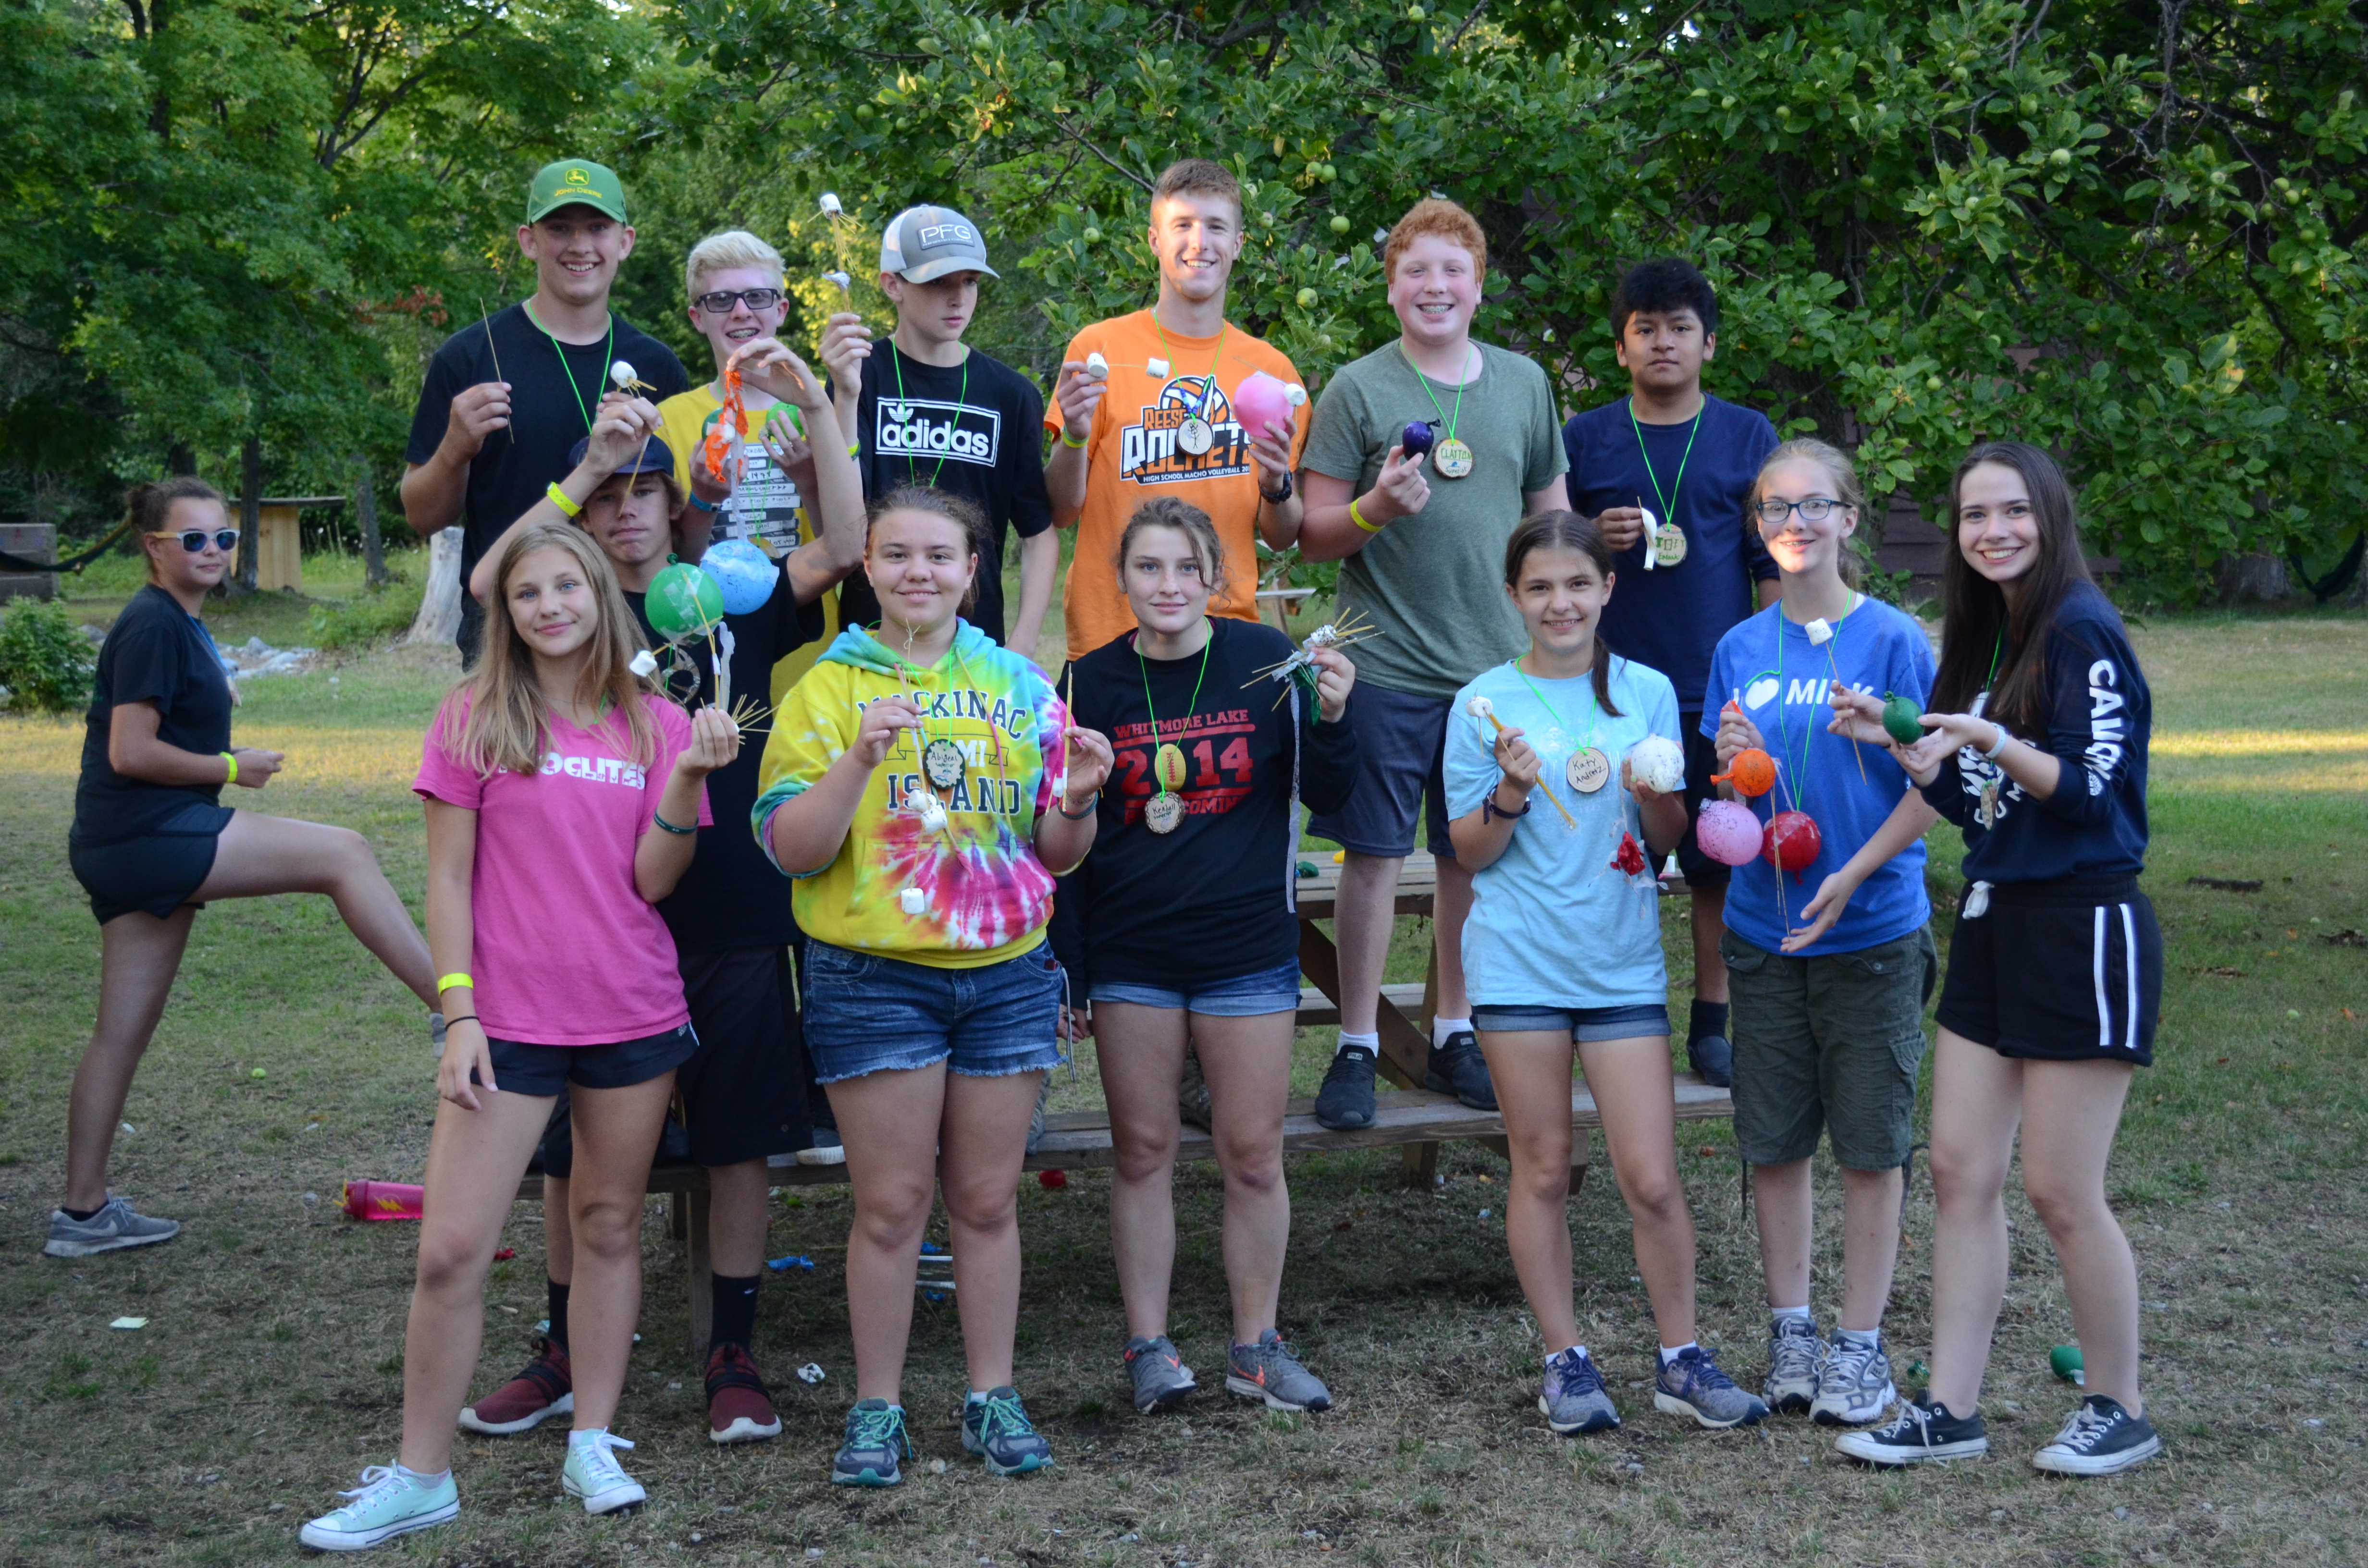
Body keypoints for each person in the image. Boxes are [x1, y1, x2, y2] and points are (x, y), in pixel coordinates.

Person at [300, 523, 740, 1549]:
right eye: (528, 594)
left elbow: (653, 883)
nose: (548, 607)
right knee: (450, 1250)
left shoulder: (659, 723)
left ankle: (592, 1438)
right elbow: (447, 881)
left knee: (607, 1225)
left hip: (632, 1008)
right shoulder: (473, 717)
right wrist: (457, 1013)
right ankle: (420, 1476)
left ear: (600, 597)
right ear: (508, 613)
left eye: (567, 588)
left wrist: (685, 782)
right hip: (507, 1022)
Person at [456, 341, 862, 1445]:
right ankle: (557, 1346)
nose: (630, 513)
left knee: (738, 1137)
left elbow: (851, 545)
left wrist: (820, 404)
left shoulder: (731, 599)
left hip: (728, 906)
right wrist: (585, 467)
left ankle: (733, 1348)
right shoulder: (563, 617)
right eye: (614, 498)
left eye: (650, 494)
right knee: (573, 1157)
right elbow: (491, 579)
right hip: (597, 921)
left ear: (683, 514)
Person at [752, 488, 1114, 1486]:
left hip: (1004, 976)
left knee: (988, 1202)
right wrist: (860, 758)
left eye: (940, 556)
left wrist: (1078, 799)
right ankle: (878, 1409)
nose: (919, 571)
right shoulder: (826, 691)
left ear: (971, 570)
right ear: (868, 569)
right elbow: (791, 849)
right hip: (872, 980)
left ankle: (992, 1395)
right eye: (897, 555)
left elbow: (1059, 852)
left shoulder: (1018, 685)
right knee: (892, 1205)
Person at [1831, 442, 2162, 1476]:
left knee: (2064, 1191)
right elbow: (1960, 790)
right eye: (1975, 516)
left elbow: (2091, 791)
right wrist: (1902, 755)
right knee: (1959, 1171)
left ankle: (2119, 1406)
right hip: (1992, 916)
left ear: (2048, 516)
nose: (1993, 532)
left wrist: (1986, 742)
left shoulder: (2080, 631)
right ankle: (1950, 1409)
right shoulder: (1983, 634)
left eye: (2012, 511)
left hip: (2082, 925)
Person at [49, 478, 441, 1260]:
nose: (214, 551)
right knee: (343, 851)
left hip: (125, 839)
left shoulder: (175, 621)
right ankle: (459, 1010)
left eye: (223, 537)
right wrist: (230, 763)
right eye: (194, 539)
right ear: (155, 547)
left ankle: (82, 1214)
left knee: (120, 1032)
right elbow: (131, 749)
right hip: (148, 830)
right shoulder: (154, 624)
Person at [1443, 512, 1767, 1436]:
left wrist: (1654, 787)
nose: (1560, 602)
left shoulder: (1648, 691)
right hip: (1517, 963)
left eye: (1576, 584)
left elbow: (1666, 837)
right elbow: (1470, 851)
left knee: (1651, 1176)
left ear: (1607, 589)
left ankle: (1680, 1357)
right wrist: (1507, 787)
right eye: (1540, 586)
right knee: (1542, 1165)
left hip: (1619, 961)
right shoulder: (1481, 702)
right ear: (1514, 596)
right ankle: (1564, 1357)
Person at [1058, 499, 1360, 1416]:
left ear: (1214, 576)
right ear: (1121, 577)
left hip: (1245, 949)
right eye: (1148, 568)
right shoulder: (1086, 679)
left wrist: (1338, 715)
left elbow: (1334, 794)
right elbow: (1065, 838)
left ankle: (1254, 1344)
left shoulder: (1266, 666)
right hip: (1131, 950)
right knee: (1141, 1149)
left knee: (1252, 1154)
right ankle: (1149, 1346)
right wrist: (1068, 963)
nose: (1168, 586)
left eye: (1186, 568)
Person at [1295, 196, 1571, 1131]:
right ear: (1392, 287)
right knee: (1371, 859)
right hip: (1382, 669)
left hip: (1493, 677)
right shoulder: (1357, 390)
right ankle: (1358, 1043)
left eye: (1452, 270)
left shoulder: (1526, 385)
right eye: (1416, 270)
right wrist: (1375, 505)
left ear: (1479, 286)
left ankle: (1456, 1029)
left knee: (1467, 861)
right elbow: (1310, 539)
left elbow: (1548, 523)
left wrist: (1555, 641)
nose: (1435, 286)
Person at [1702, 440, 1938, 1426]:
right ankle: (1792, 1329)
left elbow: (1937, 786)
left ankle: (1859, 1345)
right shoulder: (1739, 649)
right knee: (1775, 1139)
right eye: (1773, 508)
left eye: (1814, 505)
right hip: (1763, 931)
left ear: (1849, 518)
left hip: (1871, 929)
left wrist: (1850, 873)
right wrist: (1731, 758)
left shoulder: (1893, 641)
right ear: (1755, 527)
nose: (1793, 523)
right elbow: (1735, 789)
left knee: (1871, 1145)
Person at [1563, 257, 1781, 1089]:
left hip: (1713, 683)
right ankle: (1604, 1011)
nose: (1662, 342)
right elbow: (1552, 554)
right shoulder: (1586, 437)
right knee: (1605, 853)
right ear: (1620, 348)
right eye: (1644, 329)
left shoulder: (1745, 433)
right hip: (1610, 687)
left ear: (1707, 343)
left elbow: (1766, 556)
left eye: (1679, 328)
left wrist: (1760, 671)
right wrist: (1589, 530)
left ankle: (1711, 1022)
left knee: (1716, 859)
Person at [403, 158, 690, 664]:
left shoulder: (657, 366)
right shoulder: (471, 357)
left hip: (633, 630)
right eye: (559, 228)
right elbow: (422, 516)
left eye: (597, 228)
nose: (579, 245)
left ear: (625, 241)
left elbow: (677, 517)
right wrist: (453, 449)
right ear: (528, 240)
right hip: (507, 632)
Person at [1044, 159, 1306, 659]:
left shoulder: (1272, 373)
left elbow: (1282, 535)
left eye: (1215, 227)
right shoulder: (1098, 349)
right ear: (1154, 241)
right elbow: (1060, 511)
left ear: (1238, 244)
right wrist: (1075, 436)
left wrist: (1277, 486)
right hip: (1111, 639)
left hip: (1226, 637)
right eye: (1181, 226)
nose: (1199, 243)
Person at [815, 204, 1059, 660]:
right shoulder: (861, 375)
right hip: (875, 640)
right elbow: (844, 517)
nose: (958, 298)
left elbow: (1038, 532)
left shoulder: (1012, 394)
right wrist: (845, 398)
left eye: (969, 282)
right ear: (893, 284)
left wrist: (1023, 643)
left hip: (976, 646)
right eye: (938, 282)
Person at [656, 229, 840, 694]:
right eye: (721, 300)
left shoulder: (820, 413)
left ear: (781, 309)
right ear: (697, 318)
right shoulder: (667, 420)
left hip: (811, 660)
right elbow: (664, 559)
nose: (741, 311)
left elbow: (848, 551)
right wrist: (702, 497)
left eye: (757, 296)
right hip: (704, 657)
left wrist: (810, 485)